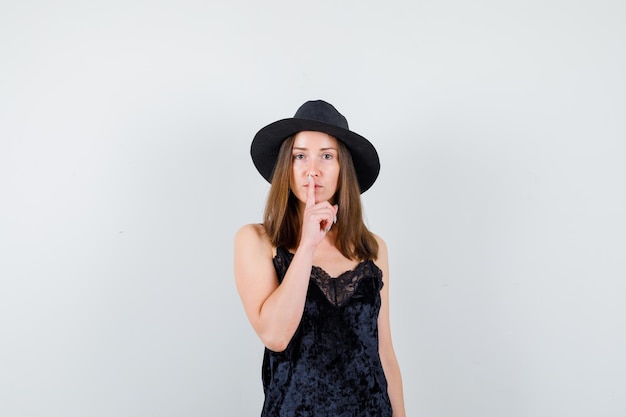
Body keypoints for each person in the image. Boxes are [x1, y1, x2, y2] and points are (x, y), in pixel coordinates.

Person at [234, 100, 406, 417]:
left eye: (327, 156)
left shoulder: (373, 248)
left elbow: (384, 352)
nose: (313, 169)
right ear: (286, 166)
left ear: (344, 170)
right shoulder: (256, 240)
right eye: (300, 156)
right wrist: (308, 245)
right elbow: (275, 335)